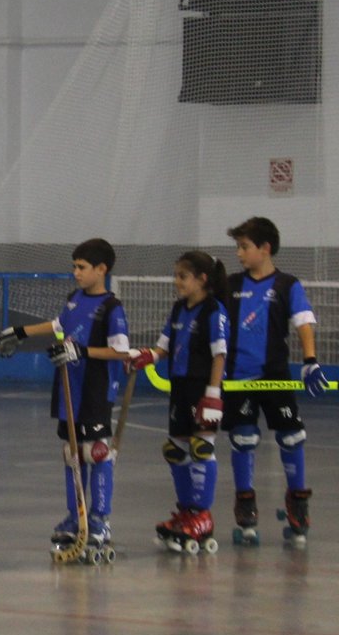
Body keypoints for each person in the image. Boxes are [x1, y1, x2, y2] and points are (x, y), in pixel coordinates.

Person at [0, 238, 130, 556]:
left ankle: (100, 520)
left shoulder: (112, 307)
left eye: (82, 267)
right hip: (70, 385)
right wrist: (21, 332)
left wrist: (82, 351)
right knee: (72, 454)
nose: (76, 272)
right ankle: (76, 514)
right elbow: (59, 326)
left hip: (95, 389)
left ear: (101, 269)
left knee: (96, 452)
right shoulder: (73, 299)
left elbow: (120, 350)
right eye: (74, 266)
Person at [221, 216, 325, 546]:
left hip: (275, 376)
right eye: (238, 247)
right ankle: (245, 505)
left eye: (244, 247)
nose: (239, 253)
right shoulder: (231, 285)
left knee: (292, 437)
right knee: (243, 438)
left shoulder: (287, 285)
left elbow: (304, 322)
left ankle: (297, 503)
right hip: (238, 377)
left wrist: (310, 362)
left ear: (265, 248)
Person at [127, 252, 229, 553]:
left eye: (182, 276)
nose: (177, 282)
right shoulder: (178, 309)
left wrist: (213, 394)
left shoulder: (214, 311)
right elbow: (164, 347)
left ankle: (202, 515)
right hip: (180, 386)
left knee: (201, 448)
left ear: (202, 279)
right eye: (176, 276)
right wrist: (146, 356)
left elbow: (219, 355)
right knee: (176, 450)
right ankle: (186, 511)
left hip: (203, 388)